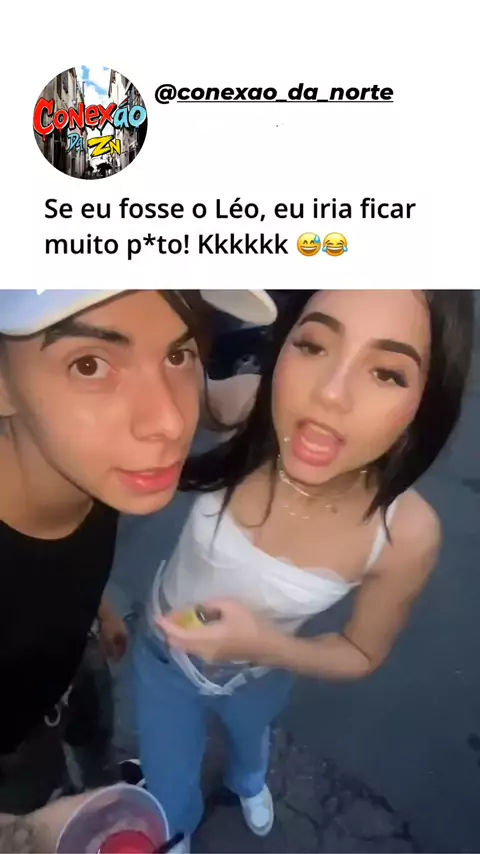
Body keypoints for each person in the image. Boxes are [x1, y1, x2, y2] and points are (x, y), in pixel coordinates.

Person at [134, 289, 474, 851]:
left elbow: (361, 652)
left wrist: (263, 646)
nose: (331, 394)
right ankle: (177, 832)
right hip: (162, 654)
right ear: (282, 344)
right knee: (167, 785)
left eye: (387, 373)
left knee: (250, 741)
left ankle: (248, 780)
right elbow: (174, 380)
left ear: (427, 401)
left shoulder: (405, 533)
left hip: (260, 672)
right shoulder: (251, 408)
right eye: (314, 345)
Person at [0, 287, 277, 851]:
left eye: (177, 354)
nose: (169, 421)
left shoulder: (85, 457)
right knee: (37, 786)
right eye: (89, 364)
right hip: (13, 743)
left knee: (94, 739)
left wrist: (97, 605)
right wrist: (25, 836)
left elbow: (222, 399)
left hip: (74, 655)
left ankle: (101, 783)